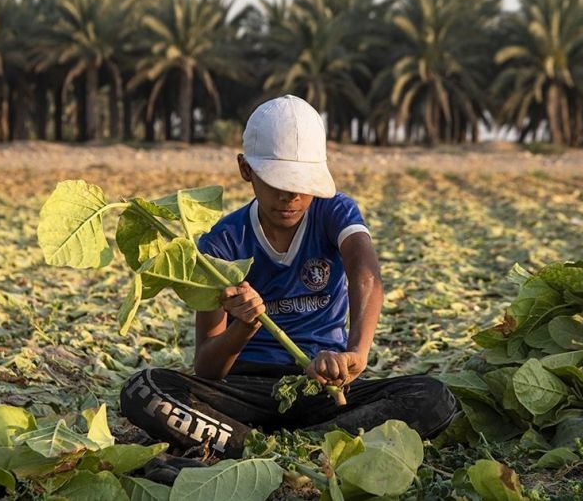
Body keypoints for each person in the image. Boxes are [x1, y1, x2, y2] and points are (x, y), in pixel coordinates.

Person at [118, 95, 458, 473]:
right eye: (277, 181)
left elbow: (366, 272)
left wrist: (355, 355)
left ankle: (262, 449)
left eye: (302, 182)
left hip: (323, 389)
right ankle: (287, 448)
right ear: (246, 170)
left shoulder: (334, 211)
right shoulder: (221, 244)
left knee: (433, 398)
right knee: (144, 390)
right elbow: (208, 368)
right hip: (244, 392)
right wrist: (244, 327)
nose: (291, 195)